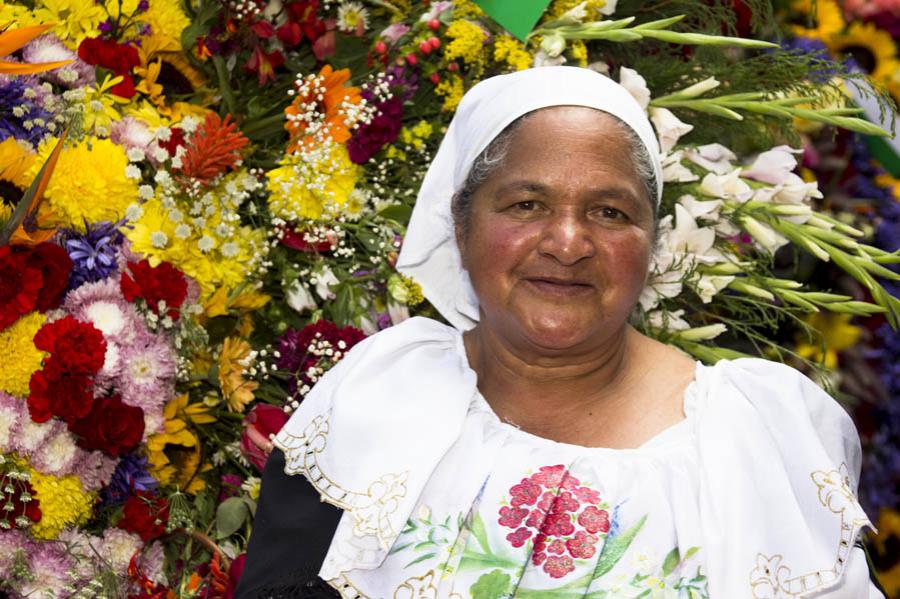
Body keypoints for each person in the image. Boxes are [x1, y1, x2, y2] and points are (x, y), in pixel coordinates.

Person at [236, 66, 884, 598]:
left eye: (609, 211)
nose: (569, 243)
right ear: (461, 229)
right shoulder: (378, 403)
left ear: (651, 243)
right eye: (527, 205)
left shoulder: (753, 436)